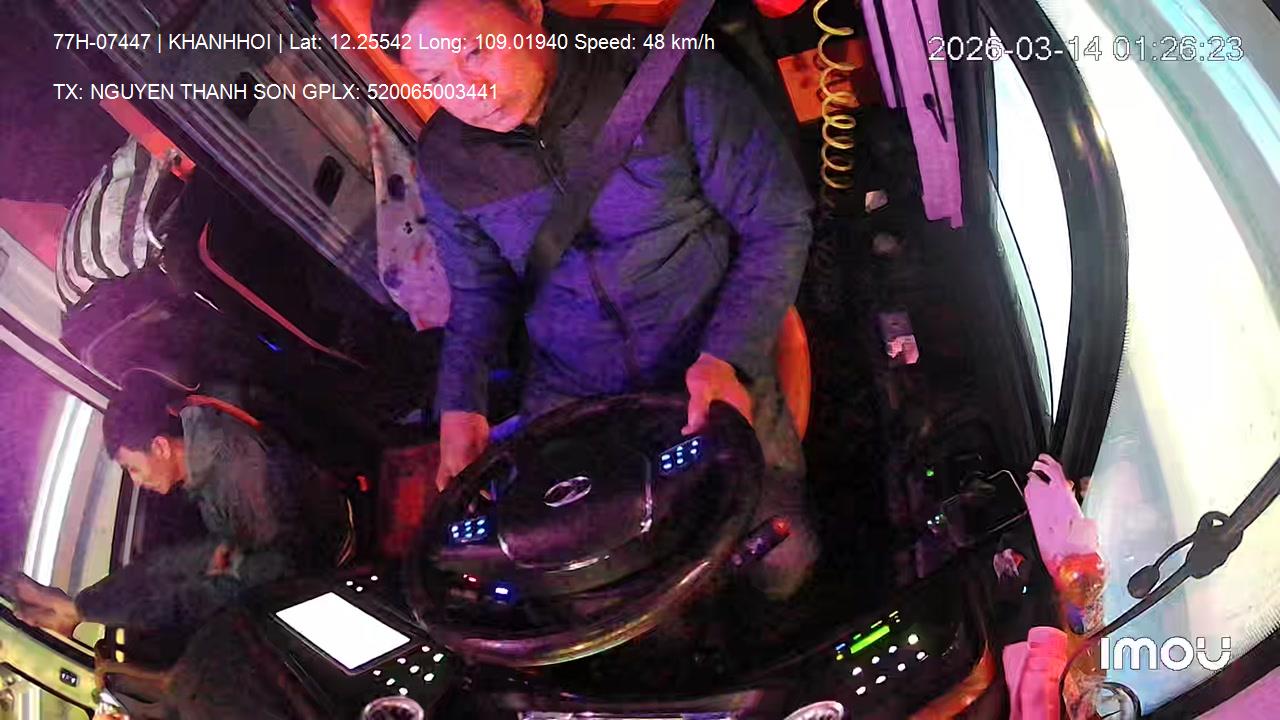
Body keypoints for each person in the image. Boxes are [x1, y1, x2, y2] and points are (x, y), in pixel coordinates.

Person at [374, 0, 818, 597]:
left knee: (782, 562)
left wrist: (728, 356)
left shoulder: (667, 75)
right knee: (588, 591)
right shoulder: (447, 161)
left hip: (708, 356)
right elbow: (479, 292)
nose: (469, 94)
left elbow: (778, 221)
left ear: (530, 10)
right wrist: (461, 403)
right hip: (574, 390)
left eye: (476, 51)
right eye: (434, 80)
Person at [8, 378, 349, 636]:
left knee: (190, 603)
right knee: (165, 565)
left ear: (160, 447)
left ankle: (79, 610)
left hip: (323, 557)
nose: (136, 481)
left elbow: (277, 568)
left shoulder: (235, 471)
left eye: (132, 468)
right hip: (260, 550)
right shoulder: (204, 446)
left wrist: (231, 566)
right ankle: (79, 607)